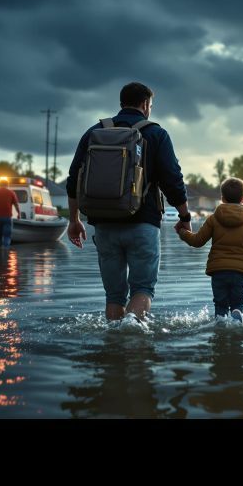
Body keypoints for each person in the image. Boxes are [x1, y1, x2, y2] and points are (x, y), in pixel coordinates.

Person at [66, 82, 189, 321]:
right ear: (145, 105)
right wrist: (184, 216)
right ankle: (131, 339)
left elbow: (74, 180)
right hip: (143, 223)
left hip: (103, 225)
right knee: (143, 290)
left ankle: (114, 347)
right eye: (150, 105)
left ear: (122, 103)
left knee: (114, 296)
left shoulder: (94, 132)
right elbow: (172, 180)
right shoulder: (156, 133)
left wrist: (74, 219)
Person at [177, 177, 243, 324]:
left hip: (218, 270)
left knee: (220, 305)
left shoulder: (213, 218)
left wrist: (183, 232)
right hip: (240, 271)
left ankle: (220, 320)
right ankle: (237, 314)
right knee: (238, 303)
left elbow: (197, 241)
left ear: (222, 198)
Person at [0, 178, 20, 248]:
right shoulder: (11, 193)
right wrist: (19, 213)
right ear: (7, 185)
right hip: (7, 218)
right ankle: (6, 253)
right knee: (7, 237)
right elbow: (16, 204)